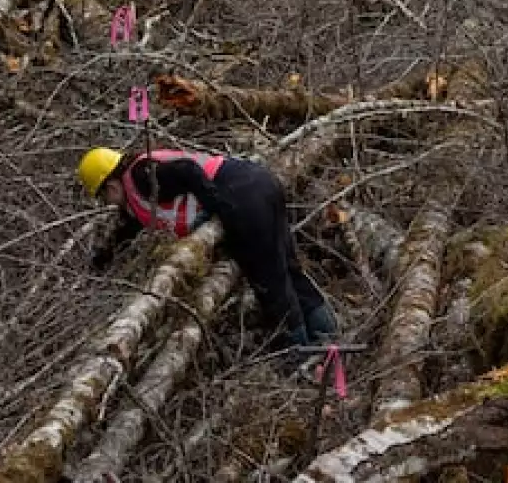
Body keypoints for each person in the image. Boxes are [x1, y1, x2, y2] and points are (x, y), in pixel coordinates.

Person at [77, 146, 336, 351]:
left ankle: (300, 351)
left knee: (269, 278)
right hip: (258, 182)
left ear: (110, 186)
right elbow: (127, 229)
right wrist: (102, 260)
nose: (109, 203)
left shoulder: (142, 175)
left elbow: (188, 171)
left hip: (241, 195)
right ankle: (326, 332)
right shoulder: (137, 186)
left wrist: (217, 207)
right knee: (286, 266)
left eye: (105, 197)